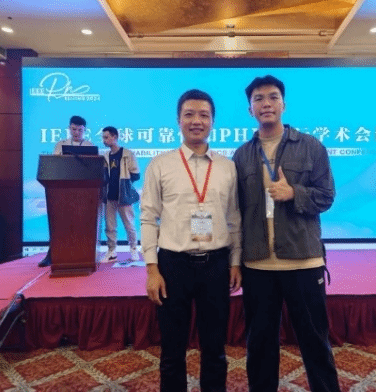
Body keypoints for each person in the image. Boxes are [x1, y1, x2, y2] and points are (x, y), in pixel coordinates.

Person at [232, 75, 340, 392]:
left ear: (283, 104)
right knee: (260, 345)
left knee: (315, 341)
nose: (266, 103)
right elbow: (236, 211)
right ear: (250, 109)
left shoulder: (310, 147)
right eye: (258, 99)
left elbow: (327, 196)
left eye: (273, 97)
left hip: (303, 260)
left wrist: (294, 193)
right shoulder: (241, 155)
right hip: (258, 264)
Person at [140, 89, 242, 392]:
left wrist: (236, 262)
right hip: (173, 265)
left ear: (213, 122)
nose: (196, 121)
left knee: (215, 347)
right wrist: (152, 269)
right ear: (178, 120)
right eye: (189, 115)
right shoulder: (160, 164)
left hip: (216, 265)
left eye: (203, 115)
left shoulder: (227, 166)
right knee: (172, 349)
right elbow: (148, 218)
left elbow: (234, 218)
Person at [38, 115, 95, 267]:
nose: (76, 133)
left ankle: (82, 255)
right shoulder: (60, 145)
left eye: (80, 130)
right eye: (74, 129)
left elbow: (93, 169)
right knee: (59, 224)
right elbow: (55, 165)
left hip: (84, 192)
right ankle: (52, 255)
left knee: (82, 225)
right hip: (62, 191)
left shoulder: (89, 145)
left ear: (85, 130)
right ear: (69, 128)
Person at [100, 126, 141, 262]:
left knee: (129, 225)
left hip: (124, 196)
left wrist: (125, 185)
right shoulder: (105, 156)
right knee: (110, 226)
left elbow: (136, 175)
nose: (104, 140)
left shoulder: (128, 154)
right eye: (103, 137)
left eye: (106, 137)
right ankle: (112, 251)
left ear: (115, 137)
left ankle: (133, 249)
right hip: (109, 196)